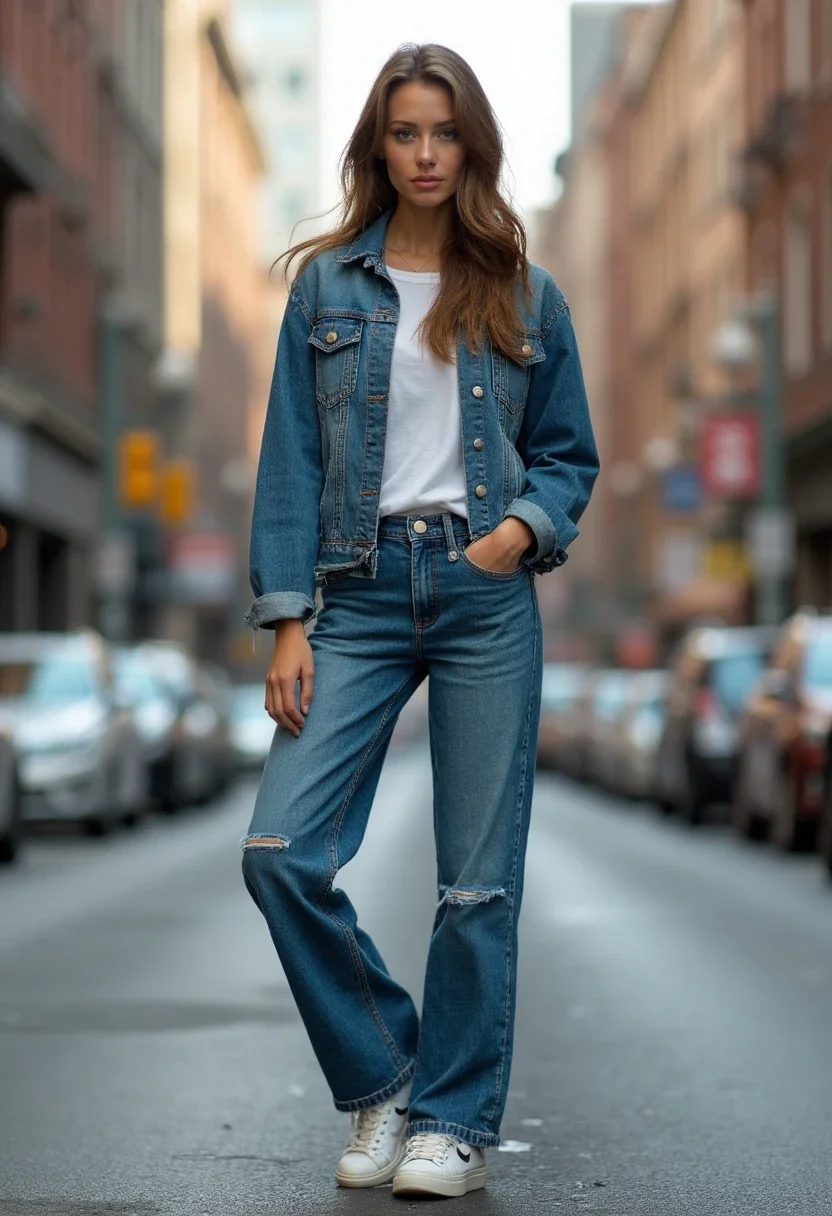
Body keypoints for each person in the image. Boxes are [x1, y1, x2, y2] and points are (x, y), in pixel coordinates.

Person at [240, 42, 599, 1199]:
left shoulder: (522, 288)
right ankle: (385, 1074)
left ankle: (452, 1123)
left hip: (484, 589)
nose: (426, 153)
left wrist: (525, 530)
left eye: (444, 132)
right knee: (282, 852)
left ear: (471, 144)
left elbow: (567, 454)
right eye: (405, 132)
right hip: (354, 590)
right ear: (377, 146)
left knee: (476, 882)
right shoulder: (326, 287)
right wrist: (287, 618)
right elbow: (290, 457)